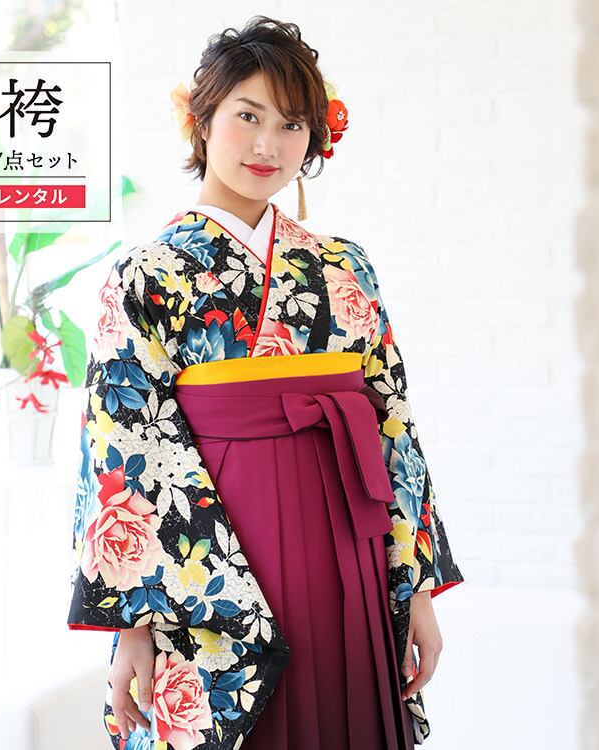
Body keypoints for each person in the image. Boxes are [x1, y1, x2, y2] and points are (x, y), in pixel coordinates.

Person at [67, 15, 464, 750]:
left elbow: (393, 427)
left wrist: (415, 590)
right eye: (247, 116)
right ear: (201, 117)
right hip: (212, 561)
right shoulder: (147, 274)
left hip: (348, 544)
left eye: (291, 125)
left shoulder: (345, 267)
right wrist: (134, 625)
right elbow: (121, 450)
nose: (267, 145)